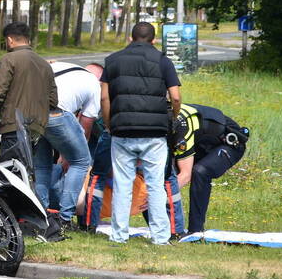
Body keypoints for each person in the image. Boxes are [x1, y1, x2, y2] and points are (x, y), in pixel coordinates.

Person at [100, 22, 181, 245]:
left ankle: (119, 236)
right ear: (154, 40)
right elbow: (175, 97)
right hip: (154, 133)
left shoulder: (112, 61)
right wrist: (172, 118)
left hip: (122, 131)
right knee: (155, 185)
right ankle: (160, 237)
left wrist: (109, 123)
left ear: (130, 38)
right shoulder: (163, 61)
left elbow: (105, 98)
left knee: (123, 185)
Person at [0, 22, 58, 168]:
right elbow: (53, 101)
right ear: (28, 39)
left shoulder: (9, 59)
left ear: (9, 40)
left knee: (11, 172)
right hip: (37, 128)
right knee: (26, 171)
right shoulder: (45, 64)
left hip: (13, 125)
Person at [35, 62, 99, 230]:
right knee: (81, 162)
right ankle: (65, 219)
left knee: (42, 166)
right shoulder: (94, 84)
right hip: (56, 112)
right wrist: (69, 156)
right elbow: (86, 124)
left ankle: (41, 216)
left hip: (30, 113)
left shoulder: (61, 66)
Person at [171, 103, 249, 234]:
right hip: (202, 144)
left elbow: (185, 175)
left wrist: (157, 197)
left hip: (230, 143)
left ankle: (195, 231)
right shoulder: (164, 121)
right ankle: (165, 226)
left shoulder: (183, 123)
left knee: (200, 172)